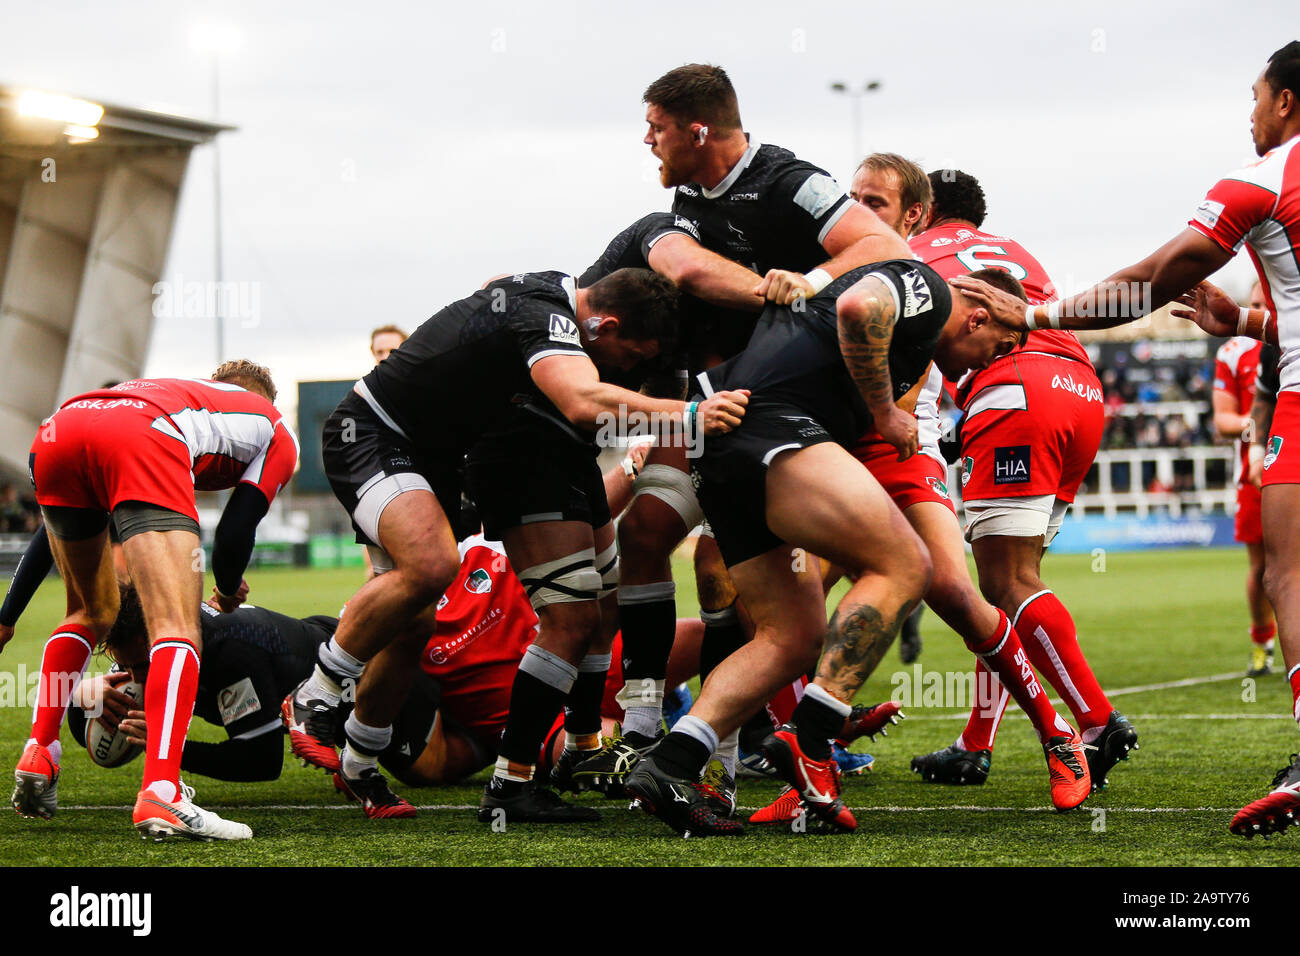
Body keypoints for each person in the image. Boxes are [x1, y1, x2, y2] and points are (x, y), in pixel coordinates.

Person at [952, 41, 1299, 838]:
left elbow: (1155, 275)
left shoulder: (1263, 179)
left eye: (1255, 97)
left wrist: (1032, 316)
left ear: (1285, 102)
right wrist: (1243, 321)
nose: (1249, 113)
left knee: (1289, 572)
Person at [283, 266, 749, 824]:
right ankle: (318, 690)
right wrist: (691, 414)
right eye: (629, 355)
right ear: (604, 325)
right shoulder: (550, 316)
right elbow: (581, 401)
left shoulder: (556, 297)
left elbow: (498, 292)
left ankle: (360, 759)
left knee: (413, 624)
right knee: (435, 568)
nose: (627, 370)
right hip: (377, 435)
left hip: (442, 459)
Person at [626, 255, 1039, 837]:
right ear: (979, 317)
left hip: (727, 443)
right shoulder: (930, 289)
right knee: (905, 566)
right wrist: (881, 414)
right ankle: (812, 735)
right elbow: (857, 306)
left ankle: (672, 764)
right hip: (772, 425)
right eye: (1002, 346)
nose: (990, 364)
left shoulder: (918, 338)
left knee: (789, 637)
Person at [585, 64, 909, 793]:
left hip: (781, 416)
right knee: (648, 539)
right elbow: (691, 284)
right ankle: (646, 726)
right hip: (707, 414)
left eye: (656, 126)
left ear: (697, 129)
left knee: (930, 579)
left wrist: (814, 283)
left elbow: (884, 247)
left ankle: (752, 745)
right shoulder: (678, 205)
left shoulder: (789, 181)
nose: (647, 140)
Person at [751, 156, 1091, 826]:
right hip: (826, 445)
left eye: (875, 202)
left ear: (914, 216)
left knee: (955, 592)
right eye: (852, 199)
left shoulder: (916, 273)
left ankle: (1059, 735)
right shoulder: (829, 255)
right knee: (782, 611)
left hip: (896, 449)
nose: (859, 211)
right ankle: (804, 754)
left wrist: (881, 411)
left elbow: (898, 374)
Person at [907, 169, 1136, 792]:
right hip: (1078, 390)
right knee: (1007, 585)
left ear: (919, 212)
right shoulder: (1014, 252)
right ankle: (975, 744)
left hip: (1011, 389)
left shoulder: (913, 252)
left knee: (1005, 583)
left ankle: (1095, 720)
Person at [11, 362, 300, 842]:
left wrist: (7, 616)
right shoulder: (273, 426)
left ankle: (39, 752)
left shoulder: (176, 391)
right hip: (143, 436)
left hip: (59, 429)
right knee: (177, 625)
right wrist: (227, 589)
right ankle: (161, 792)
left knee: (90, 611)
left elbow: (50, 533)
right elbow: (234, 531)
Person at [1213, 281, 1276, 676]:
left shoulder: (1290, 342)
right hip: (1256, 473)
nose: (1256, 313)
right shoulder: (1233, 351)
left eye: (1263, 305)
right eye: (1251, 305)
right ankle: (1262, 644)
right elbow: (1223, 421)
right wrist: (1264, 429)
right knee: (1261, 567)